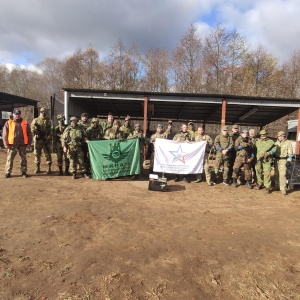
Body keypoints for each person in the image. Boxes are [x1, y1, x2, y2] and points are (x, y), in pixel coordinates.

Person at [2, 108, 33, 178]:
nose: (17, 116)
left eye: (18, 114)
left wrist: (29, 143)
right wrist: (5, 144)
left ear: (20, 115)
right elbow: (5, 134)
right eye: (16, 114)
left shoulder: (25, 123)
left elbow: (29, 134)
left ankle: (24, 172)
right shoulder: (8, 123)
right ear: (13, 115)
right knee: (10, 158)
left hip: (22, 144)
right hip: (12, 144)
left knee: (23, 158)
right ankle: (7, 172)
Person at [31, 107, 52, 174]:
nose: (43, 113)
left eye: (45, 112)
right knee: (37, 154)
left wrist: (48, 136)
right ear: (40, 112)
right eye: (42, 112)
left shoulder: (49, 120)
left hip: (46, 140)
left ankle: (49, 168)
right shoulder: (36, 120)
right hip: (38, 140)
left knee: (48, 154)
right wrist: (36, 133)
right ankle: (37, 168)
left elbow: (52, 129)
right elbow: (32, 129)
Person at [254, 129, 276, 194]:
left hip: (267, 160)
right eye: (262, 135)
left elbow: (275, 149)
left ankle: (267, 187)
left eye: (264, 134)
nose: (263, 135)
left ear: (266, 134)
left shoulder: (271, 142)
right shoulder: (257, 142)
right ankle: (260, 183)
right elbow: (254, 150)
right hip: (259, 159)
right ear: (260, 135)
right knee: (258, 171)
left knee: (267, 173)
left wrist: (269, 153)